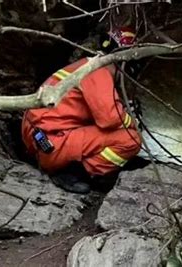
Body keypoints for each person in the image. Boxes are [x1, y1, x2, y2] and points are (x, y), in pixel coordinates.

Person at [21, 27, 141, 194]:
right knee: (130, 139)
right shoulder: (99, 71)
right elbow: (109, 119)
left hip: (38, 137)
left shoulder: (85, 65)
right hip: (52, 145)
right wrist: (130, 120)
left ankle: (63, 163)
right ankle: (76, 173)